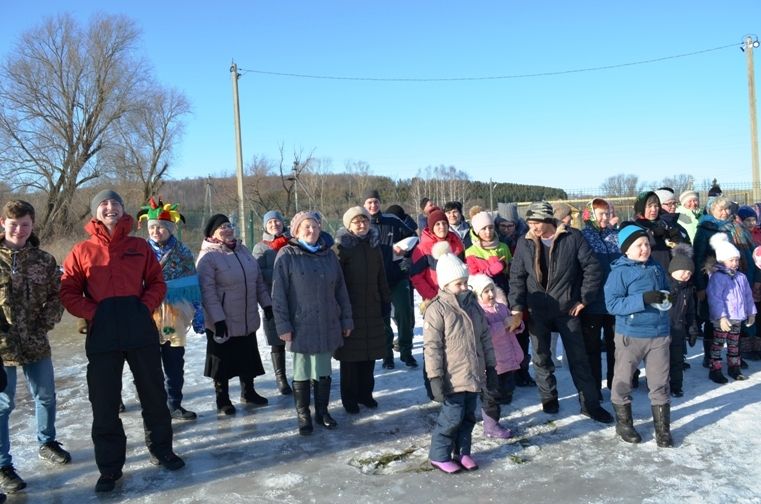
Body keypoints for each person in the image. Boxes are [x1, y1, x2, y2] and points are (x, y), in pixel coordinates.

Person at [60, 190, 184, 493]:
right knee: (104, 403)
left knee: (153, 394)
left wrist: (143, 306)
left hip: (139, 329)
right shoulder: (81, 251)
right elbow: (68, 291)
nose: (110, 206)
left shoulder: (139, 246)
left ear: (123, 210)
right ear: (95, 213)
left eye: (114, 202)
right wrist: (94, 312)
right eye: (103, 203)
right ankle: (110, 468)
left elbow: (157, 282)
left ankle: (162, 449)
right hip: (102, 334)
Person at [508, 201, 613, 424]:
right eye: (530, 222)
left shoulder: (572, 237)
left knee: (579, 359)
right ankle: (549, 398)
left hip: (567, 309)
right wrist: (517, 307)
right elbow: (516, 277)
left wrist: (584, 299)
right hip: (537, 309)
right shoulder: (524, 242)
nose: (532, 227)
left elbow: (592, 268)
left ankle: (590, 404)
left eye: (536, 222)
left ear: (548, 220)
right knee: (541, 357)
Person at [0, 200, 68, 494]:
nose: (19, 230)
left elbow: (58, 295)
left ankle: (47, 442)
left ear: (33, 225)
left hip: (35, 340)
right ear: (3, 223)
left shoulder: (44, 259)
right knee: (3, 405)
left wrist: (44, 323)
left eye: (25, 224)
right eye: (14, 224)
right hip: (1, 346)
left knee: (46, 396)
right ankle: (3, 465)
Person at [272, 211, 353, 435]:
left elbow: (341, 291)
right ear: (296, 230)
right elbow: (278, 294)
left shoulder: (328, 256)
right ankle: (303, 415)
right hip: (301, 324)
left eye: (315, 226)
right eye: (306, 227)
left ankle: (322, 411)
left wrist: (346, 318)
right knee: (302, 371)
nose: (311, 231)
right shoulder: (287, 255)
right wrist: (283, 325)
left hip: (326, 322)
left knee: (323, 370)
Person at [425, 243, 496, 473]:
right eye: (459, 284)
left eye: (466, 282)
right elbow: (432, 347)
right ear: (445, 285)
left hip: (473, 374)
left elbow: (485, 336)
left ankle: (463, 452)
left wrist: (492, 367)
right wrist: (435, 377)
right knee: (451, 418)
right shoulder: (438, 309)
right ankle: (439, 455)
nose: (465, 287)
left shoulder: (473, 305)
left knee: (468, 417)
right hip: (452, 378)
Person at [604, 223, 673, 447]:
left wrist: (666, 300)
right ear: (626, 249)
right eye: (638, 245)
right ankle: (624, 424)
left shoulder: (656, 267)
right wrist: (643, 299)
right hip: (630, 336)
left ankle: (662, 430)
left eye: (646, 244)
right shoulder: (619, 272)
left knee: (660, 383)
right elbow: (612, 304)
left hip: (658, 334)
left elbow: (664, 293)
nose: (644, 249)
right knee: (623, 381)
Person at [197, 214, 272, 415]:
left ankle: (249, 392)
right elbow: (207, 291)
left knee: (247, 356)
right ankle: (223, 399)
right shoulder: (208, 257)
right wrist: (217, 319)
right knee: (222, 361)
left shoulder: (243, 250)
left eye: (229, 225)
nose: (227, 230)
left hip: (246, 315)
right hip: (223, 318)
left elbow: (257, 282)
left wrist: (267, 304)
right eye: (222, 227)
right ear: (212, 233)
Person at [137, 197, 202, 421]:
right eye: (152, 227)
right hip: (146, 313)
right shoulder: (140, 251)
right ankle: (155, 406)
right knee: (149, 363)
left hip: (174, 314)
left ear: (170, 228)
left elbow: (192, 282)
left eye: (161, 227)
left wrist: (198, 311)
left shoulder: (182, 251)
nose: (156, 231)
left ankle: (174, 403)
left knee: (174, 360)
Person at [335, 207, 390, 413]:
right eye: (357, 222)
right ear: (349, 225)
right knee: (350, 357)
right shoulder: (341, 248)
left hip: (373, 307)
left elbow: (381, 276)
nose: (361, 225)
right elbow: (337, 282)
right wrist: (340, 309)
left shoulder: (374, 245)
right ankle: (349, 398)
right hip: (350, 309)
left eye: (364, 221)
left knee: (369, 355)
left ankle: (365, 394)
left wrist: (385, 300)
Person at [693, 195, 759, 368]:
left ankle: (735, 355)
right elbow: (698, 257)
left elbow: (749, 252)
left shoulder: (736, 226)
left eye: (727, 208)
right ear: (712, 210)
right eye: (720, 209)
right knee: (711, 318)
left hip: (736, 277)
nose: (724, 212)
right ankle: (710, 356)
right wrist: (700, 285)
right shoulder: (706, 228)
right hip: (713, 278)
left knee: (736, 317)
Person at [362, 190, 416, 369]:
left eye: (375, 201)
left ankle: (406, 352)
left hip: (397, 278)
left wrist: (406, 255)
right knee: (382, 319)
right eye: (369, 202)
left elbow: (414, 239)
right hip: (375, 281)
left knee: (404, 314)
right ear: (364, 204)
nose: (373, 205)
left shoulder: (392, 221)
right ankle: (387, 355)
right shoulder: (362, 225)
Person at [468, 274, 522, 440]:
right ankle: (490, 426)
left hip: (508, 359)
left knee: (504, 391)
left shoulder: (500, 307)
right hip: (492, 363)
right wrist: (504, 324)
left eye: (492, 289)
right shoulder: (478, 313)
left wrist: (517, 324)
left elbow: (513, 327)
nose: (491, 294)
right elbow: (485, 334)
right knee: (491, 396)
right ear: (477, 295)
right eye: (486, 291)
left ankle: (493, 419)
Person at [580, 198, 620, 398]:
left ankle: (616, 384)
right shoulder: (583, 236)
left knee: (616, 346)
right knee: (592, 348)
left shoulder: (615, 236)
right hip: (593, 302)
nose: (605, 217)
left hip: (615, 301)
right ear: (590, 214)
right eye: (601, 213)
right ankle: (594, 387)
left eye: (607, 213)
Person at [705, 234, 756, 383]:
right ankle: (715, 368)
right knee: (718, 344)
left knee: (734, 345)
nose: (735, 263)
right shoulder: (717, 277)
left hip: (737, 318)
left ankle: (734, 368)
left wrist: (751, 312)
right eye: (731, 260)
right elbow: (715, 298)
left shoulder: (741, 277)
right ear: (722, 260)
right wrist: (721, 317)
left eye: (736, 260)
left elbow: (747, 295)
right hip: (724, 319)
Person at [252, 210, 292, 395]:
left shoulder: (292, 242)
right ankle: (281, 377)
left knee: (299, 337)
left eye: (277, 221)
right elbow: (258, 273)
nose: (274, 225)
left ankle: (303, 375)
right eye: (270, 223)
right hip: (272, 299)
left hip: (295, 298)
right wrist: (281, 273)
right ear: (265, 226)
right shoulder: (261, 247)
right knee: (277, 341)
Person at [667, 244, 699, 397]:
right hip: (663, 331)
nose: (686, 275)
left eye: (689, 272)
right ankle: (657, 384)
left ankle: (676, 386)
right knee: (660, 361)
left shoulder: (688, 290)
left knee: (677, 360)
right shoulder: (664, 286)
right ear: (673, 269)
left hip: (679, 330)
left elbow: (691, 313)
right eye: (683, 271)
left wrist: (692, 329)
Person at [465, 211, 512, 294]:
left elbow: (511, 272)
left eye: (491, 227)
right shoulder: (471, 252)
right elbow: (473, 279)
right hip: (484, 294)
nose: (488, 232)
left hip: (505, 290)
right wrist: (491, 270)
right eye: (483, 229)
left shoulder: (503, 247)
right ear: (476, 231)